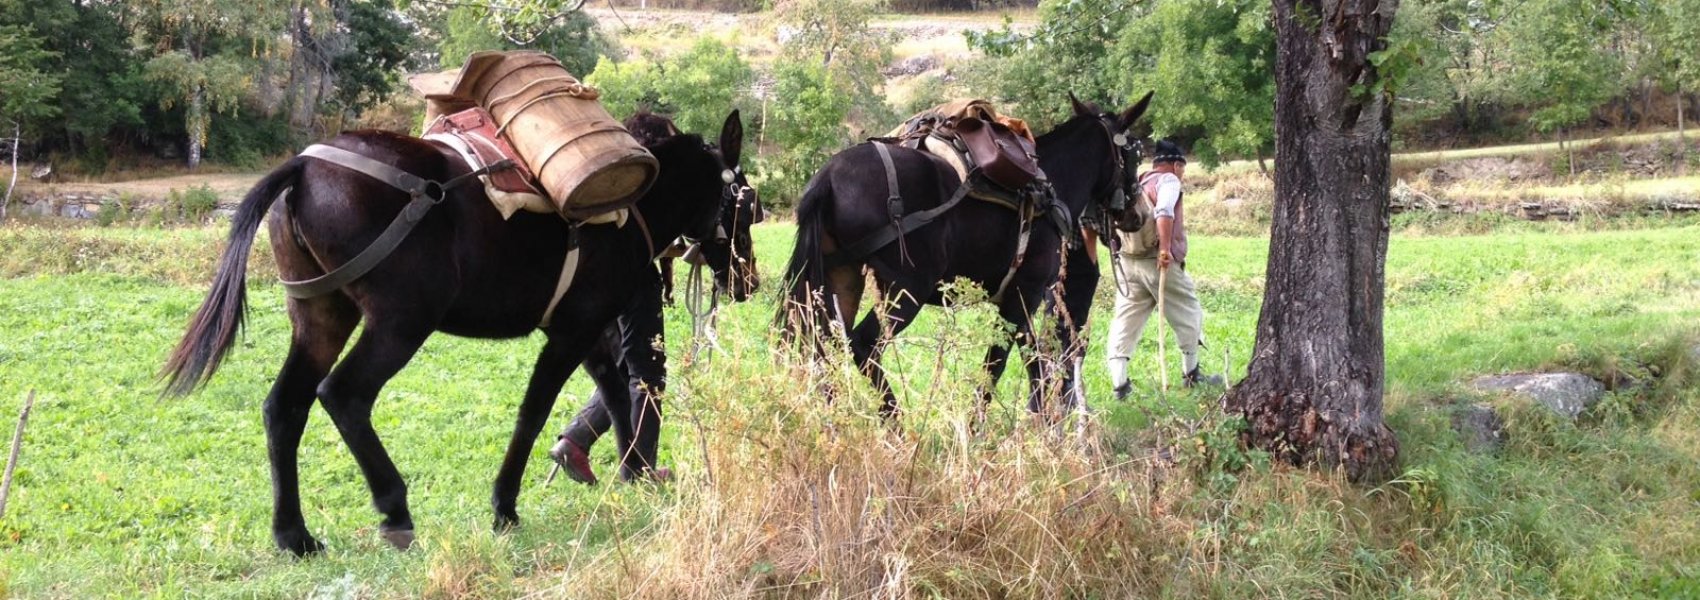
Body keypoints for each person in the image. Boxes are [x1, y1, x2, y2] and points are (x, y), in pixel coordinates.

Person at [1106, 139, 1222, 398]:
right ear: (1175, 164)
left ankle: (1120, 385)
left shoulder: (1138, 181)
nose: (1182, 172)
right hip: (1157, 263)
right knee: (1187, 313)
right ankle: (1192, 375)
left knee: (1125, 320)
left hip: (1128, 262)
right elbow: (1165, 210)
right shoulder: (1167, 181)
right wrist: (1165, 249)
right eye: (1182, 167)